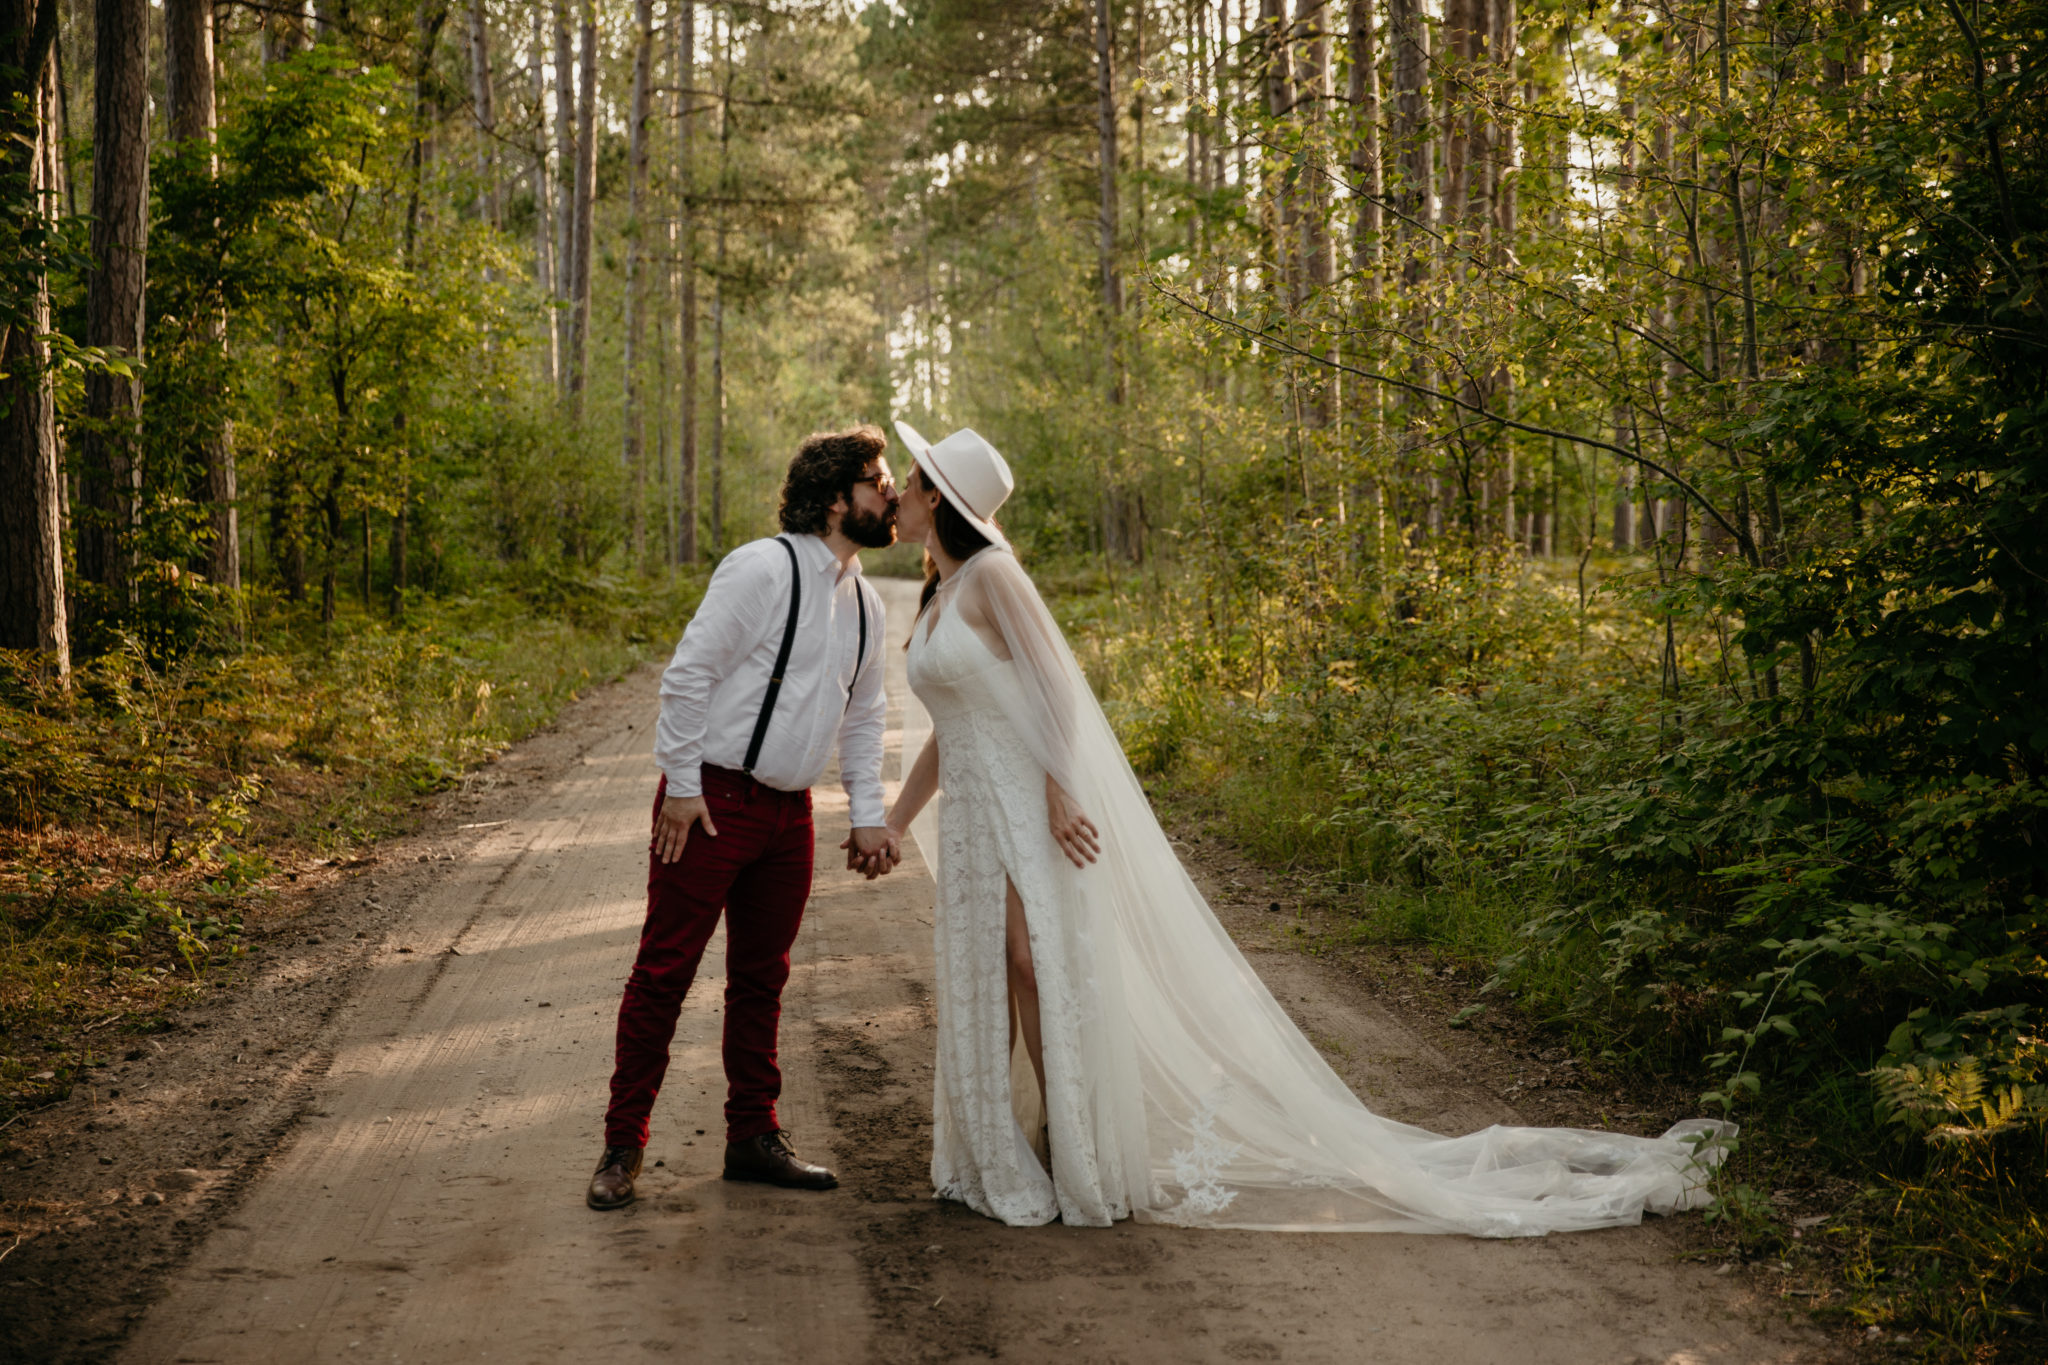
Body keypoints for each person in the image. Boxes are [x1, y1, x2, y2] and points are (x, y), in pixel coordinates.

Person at [880, 420, 1736, 1234]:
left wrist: (1065, 792)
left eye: (912, 484)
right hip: (972, 824)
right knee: (991, 973)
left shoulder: (995, 575)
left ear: (939, 497)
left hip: (1027, 808)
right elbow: (952, 735)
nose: (900, 497)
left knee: (1033, 965)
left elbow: (1058, 689)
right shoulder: (940, 588)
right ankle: (1007, 1147)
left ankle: (1073, 1152)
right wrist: (890, 820)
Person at [586, 426, 902, 1212]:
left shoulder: (864, 600)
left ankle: (751, 1136)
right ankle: (623, 1146)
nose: (891, 493)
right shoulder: (761, 567)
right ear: (836, 496)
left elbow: (865, 717)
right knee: (664, 974)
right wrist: (684, 788)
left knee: (763, 981)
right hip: (712, 804)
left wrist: (867, 815)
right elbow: (687, 675)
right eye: (878, 480)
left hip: (790, 816)